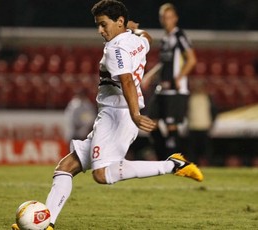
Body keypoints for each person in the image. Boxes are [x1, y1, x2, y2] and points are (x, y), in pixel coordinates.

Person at [11, 1, 203, 229]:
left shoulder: (115, 49)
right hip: (113, 114)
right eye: (98, 25)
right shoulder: (136, 40)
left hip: (117, 116)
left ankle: (172, 165)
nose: (100, 31)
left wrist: (134, 115)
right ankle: (48, 223)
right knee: (65, 167)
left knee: (101, 174)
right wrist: (134, 28)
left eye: (103, 25)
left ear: (119, 21)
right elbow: (147, 38)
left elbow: (127, 80)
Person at [144, 3, 197, 160]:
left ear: (175, 19)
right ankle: (163, 157)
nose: (166, 21)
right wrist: (149, 75)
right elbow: (164, 63)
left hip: (176, 89)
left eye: (169, 17)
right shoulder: (166, 39)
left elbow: (192, 60)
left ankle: (176, 160)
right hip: (163, 88)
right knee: (150, 122)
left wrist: (180, 77)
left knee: (171, 125)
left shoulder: (180, 36)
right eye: (163, 17)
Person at [187, 78, 218, 165]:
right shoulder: (190, 97)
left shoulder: (208, 98)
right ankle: (193, 164)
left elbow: (214, 111)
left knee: (206, 150)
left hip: (204, 127)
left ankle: (208, 164)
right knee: (192, 150)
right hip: (193, 127)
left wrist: (211, 122)